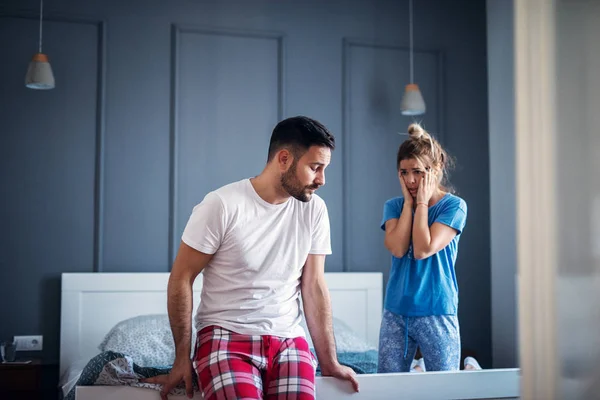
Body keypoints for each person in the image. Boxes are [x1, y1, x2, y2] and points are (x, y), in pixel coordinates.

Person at [144, 116, 359, 400]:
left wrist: (330, 362)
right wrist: (182, 358)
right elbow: (182, 278)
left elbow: (314, 286)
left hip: (289, 341)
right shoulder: (222, 205)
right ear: (284, 159)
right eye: (315, 168)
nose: (322, 180)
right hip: (225, 337)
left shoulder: (314, 210)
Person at [376, 123, 468, 373]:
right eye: (404, 172)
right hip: (396, 312)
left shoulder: (454, 207)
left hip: (437, 311)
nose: (410, 180)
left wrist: (422, 203)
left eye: (417, 171)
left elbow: (422, 249)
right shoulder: (394, 206)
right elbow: (397, 248)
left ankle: (461, 367)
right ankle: (419, 369)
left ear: (435, 169)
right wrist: (409, 203)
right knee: (388, 390)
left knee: (445, 390)